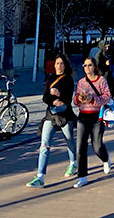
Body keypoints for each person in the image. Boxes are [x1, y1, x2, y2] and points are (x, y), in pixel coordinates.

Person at [26, 54, 78, 187]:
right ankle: (40, 177)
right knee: (44, 145)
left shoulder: (68, 79)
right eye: (57, 63)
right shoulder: (50, 78)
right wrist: (53, 99)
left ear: (65, 65)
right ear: (54, 65)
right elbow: (45, 97)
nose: (59, 66)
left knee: (69, 140)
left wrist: (59, 95)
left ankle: (73, 163)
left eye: (62, 63)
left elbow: (68, 98)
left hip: (65, 115)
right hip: (51, 115)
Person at [72, 57, 112, 188]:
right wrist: (79, 98)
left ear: (94, 66)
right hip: (83, 116)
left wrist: (93, 99)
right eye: (85, 65)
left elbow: (107, 96)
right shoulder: (81, 82)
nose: (87, 68)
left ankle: (105, 159)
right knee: (80, 147)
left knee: (97, 146)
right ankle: (82, 176)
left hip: (97, 117)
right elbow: (75, 99)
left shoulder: (101, 81)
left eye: (89, 65)